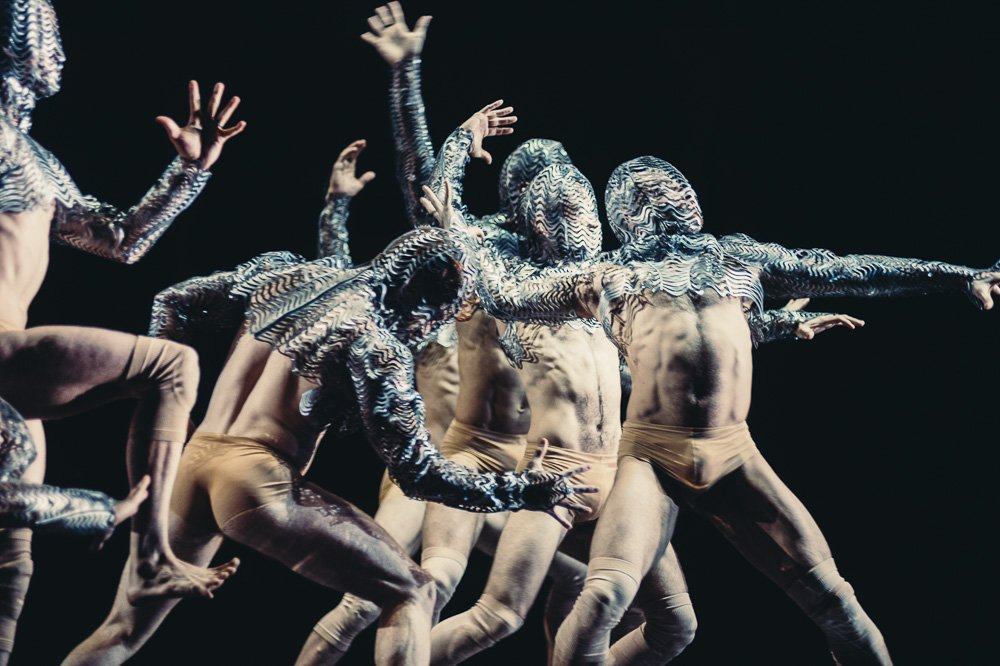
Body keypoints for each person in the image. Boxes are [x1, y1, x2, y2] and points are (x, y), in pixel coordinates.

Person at [452, 154, 999, 664]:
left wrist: (957, 275)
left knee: (835, 600)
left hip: (733, 453)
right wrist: (460, 232)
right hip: (652, 458)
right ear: (623, 214)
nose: (661, 203)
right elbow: (505, 297)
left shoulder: (737, 259)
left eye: (667, 192)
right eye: (646, 197)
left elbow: (847, 271)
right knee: (605, 595)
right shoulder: (610, 278)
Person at [65, 150, 590, 665]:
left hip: (192, 461)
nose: (429, 329)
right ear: (426, 302)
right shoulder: (375, 343)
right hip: (256, 479)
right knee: (414, 590)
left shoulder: (291, 277)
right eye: (438, 316)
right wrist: (523, 490)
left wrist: (174, 413)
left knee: (122, 630)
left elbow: (174, 301)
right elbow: (418, 474)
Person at [0, 1, 245, 660]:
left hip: (14, 384)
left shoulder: (30, 154)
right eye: (42, 29)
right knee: (171, 366)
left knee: (10, 571)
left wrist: (189, 170)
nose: (58, 52)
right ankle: (154, 558)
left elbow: (120, 240)